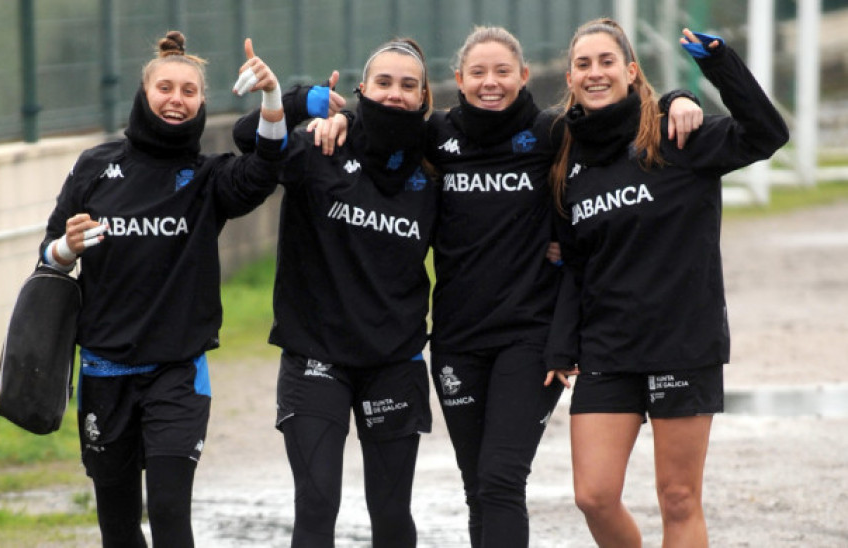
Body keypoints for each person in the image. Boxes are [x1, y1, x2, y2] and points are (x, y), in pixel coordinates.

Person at [310, 26, 703, 548]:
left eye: (502, 72)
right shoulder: (437, 136)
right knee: (478, 488)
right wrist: (336, 115)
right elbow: (386, 125)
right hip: (456, 341)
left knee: (500, 481)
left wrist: (678, 97)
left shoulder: (552, 134)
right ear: (458, 81)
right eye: (477, 73)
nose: (489, 83)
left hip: (529, 340)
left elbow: (618, 119)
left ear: (523, 76)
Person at [544, 20, 789, 547]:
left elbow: (769, 134)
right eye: (583, 64)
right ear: (569, 77)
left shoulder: (678, 134)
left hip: (682, 344)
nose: (595, 72)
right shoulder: (566, 155)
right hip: (608, 348)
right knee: (594, 496)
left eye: (607, 61)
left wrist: (716, 67)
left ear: (631, 71)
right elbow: (575, 266)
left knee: (678, 498)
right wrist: (562, 345)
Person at [39, 31, 287, 547]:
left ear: (202, 102)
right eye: (166, 88)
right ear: (144, 93)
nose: (177, 100)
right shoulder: (94, 167)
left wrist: (271, 98)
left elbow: (264, 171)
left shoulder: (206, 178)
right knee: (119, 527)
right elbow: (47, 255)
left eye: (190, 92)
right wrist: (67, 248)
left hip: (177, 374)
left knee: (172, 516)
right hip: (104, 374)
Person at [233, 38, 438, 548]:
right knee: (318, 503)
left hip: (394, 359)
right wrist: (298, 100)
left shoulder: (436, 164)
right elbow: (248, 139)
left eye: (408, 85)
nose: (395, 94)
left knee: (391, 514)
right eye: (384, 83)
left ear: (423, 98)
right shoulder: (321, 145)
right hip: (315, 357)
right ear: (361, 89)